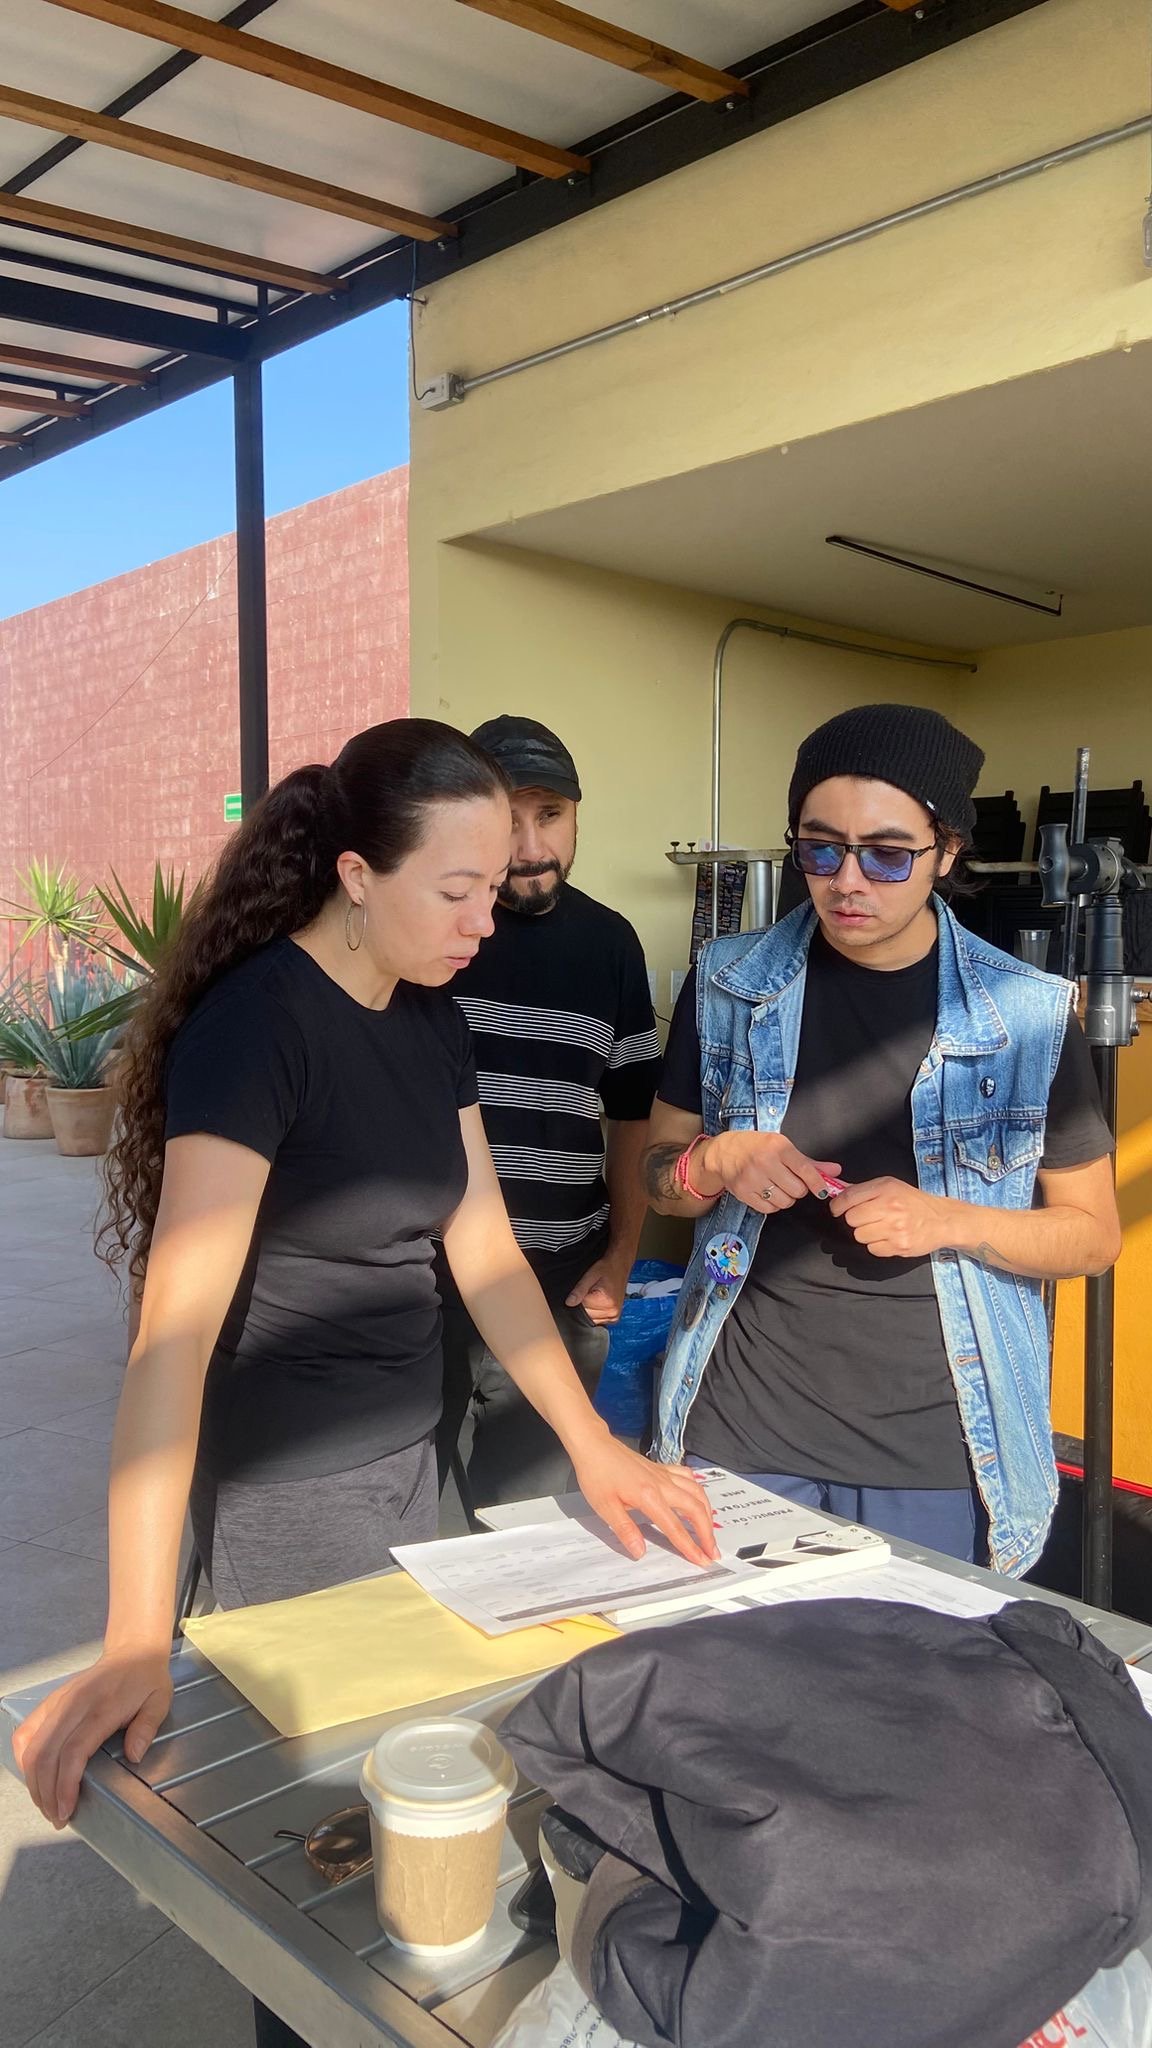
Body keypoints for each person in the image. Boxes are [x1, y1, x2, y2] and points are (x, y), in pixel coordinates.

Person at [15, 719, 713, 1853]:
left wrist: (594, 1446)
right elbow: (171, 1341)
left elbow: (486, 1253)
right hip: (290, 1484)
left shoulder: (430, 1011)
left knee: (410, 1777)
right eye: (456, 892)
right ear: (355, 873)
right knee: (324, 1825)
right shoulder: (258, 1029)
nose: (484, 922)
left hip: (405, 1452)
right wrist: (135, 1634)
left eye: (492, 887)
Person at [643, 702, 1120, 1573]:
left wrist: (946, 1220)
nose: (848, 882)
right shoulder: (728, 983)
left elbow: (1092, 1239)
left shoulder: (1027, 1015)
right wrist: (712, 1162)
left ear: (948, 851)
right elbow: (659, 1184)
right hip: (740, 1419)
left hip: (934, 1442)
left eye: (888, 855)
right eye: (821, 849)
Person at [436, 715, 661, 1506]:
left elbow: (632, 1116)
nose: (532, 847)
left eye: (551, 815)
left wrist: (623, 1254)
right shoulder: (435, 935)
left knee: (527, 1523)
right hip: (423, 1285)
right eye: (509, 819)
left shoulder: (611, 945)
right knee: (390, 1514)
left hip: (562, 1281)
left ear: (576, 816)